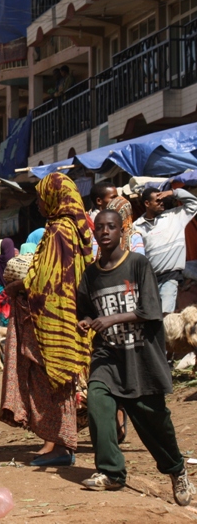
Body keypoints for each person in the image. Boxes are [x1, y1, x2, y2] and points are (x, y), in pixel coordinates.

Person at [77, 209, 196, 506]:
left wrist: (111, 319)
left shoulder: (138, 264)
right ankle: (112, 472)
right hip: (108, 356)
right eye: (100, 227)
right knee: (98, 402)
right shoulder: (90, 275)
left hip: (141, 357)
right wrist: (86, 321)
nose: (104, 232)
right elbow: (85, 310)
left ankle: (176, 469)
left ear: (121, 232)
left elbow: (151, 310)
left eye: (111, 227)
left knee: (154, 421)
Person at [0, 173, 93, 467]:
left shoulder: (59, 232)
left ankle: (61, 446)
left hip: (52, 321)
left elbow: (48, 279)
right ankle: (55, 442)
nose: (39, 203)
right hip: (65, 316)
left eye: (42, 197)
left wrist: (19, 286)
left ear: (54, 198)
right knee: (53, 379)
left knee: (50, 377)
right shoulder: (72, 229)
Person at [133, 187, 197, 313]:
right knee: (152, 314)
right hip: (150, 279)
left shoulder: (175, 216)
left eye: (163, 200)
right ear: (147, 203)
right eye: (157, 200)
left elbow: (194, 203)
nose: (162, 202)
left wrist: (173, 192)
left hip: (170, 276)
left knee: (165, 313)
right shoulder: (137, 226)